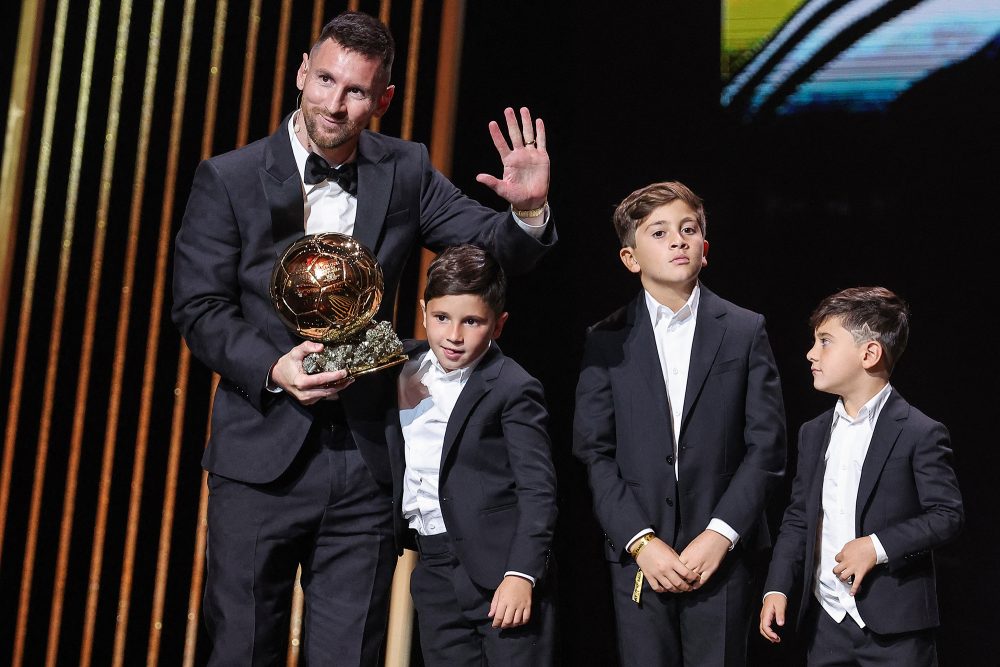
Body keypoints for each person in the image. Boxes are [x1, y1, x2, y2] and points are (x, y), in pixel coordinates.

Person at [171, 10, 555, 665]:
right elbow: (199, 308)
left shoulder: (404, 169)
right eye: (324, 80)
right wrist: (275, 365)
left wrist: (524, 212)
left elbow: (488, 249)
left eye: (355, 91)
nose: (335, 103)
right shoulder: (229, 178)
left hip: (364, 463)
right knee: (241, 649)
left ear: (384, 99)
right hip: (258, 458)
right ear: (301, 73)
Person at [573, 181, 786, 665]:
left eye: (688, 230)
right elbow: (594, 452)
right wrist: (639, 541)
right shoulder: (606, 340)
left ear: (704, 250)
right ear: (630, 258)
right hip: (641, 557)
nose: (678, 241)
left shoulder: (744, 330)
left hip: (722, 555)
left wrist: (721, 533)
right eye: (660, 232)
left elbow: (767, 446)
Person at [759, 287, 964, 665]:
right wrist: (777, 587)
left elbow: (946, 515)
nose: (811, 353)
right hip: (825, 625)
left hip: (896, 632)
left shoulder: (919, 431)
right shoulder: (813, 431)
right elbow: (799, 518)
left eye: (825, 342)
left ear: (869, 354)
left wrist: (876, 546)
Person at [386, 244, 557, 666]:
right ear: (424, 311)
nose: (454, 335)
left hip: (500, 572)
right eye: (442, 318)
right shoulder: (399, 364)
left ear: (498, 325)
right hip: (432, 566)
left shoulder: (513, 387)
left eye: (472, 321)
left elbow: (538, 491)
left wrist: (521, 574)